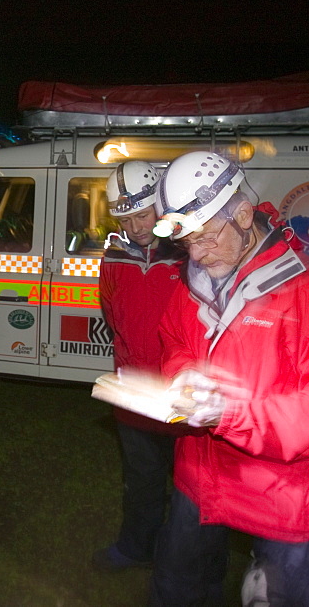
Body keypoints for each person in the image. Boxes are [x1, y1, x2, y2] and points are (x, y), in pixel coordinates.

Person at [148, 151, 309, 606]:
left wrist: (230, 413)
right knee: (177, 587)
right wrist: (184, 372)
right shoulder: (192, 279)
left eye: (208, 237)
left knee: (289, 594)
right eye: (188, 242)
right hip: (199, 476)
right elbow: (174, 338)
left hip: (276, 490)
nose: (198, 253)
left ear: (244, 215)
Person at [92, 161, 185, 572]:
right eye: (126, 218)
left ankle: (183, 558)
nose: (136, 226)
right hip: (134, 393)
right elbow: (112, 315)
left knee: (191, 486)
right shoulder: (113, 256)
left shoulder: (190, 253)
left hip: (182, 393)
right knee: (141, 480)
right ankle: (135, 547)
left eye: (143, 215)